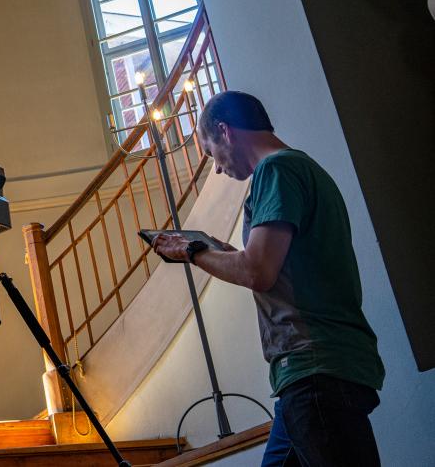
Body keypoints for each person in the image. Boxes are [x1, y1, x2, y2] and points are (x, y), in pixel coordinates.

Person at [153, 91, 385, 466]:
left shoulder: (276, 171)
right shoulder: (302, 168)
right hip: (313, 373)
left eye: (210, 152)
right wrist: (219, 251)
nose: (215, 168)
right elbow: (272, 265)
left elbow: (257, 272)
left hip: (315, 371)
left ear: (225, 131)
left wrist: (192, 252)